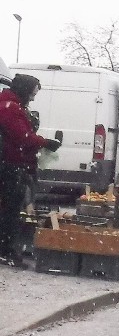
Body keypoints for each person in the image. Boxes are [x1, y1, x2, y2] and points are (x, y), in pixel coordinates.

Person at [0, 74, 61, 268]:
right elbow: (23, 137)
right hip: (9, 165)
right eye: (32, 93)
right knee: (9, 210)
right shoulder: (9, 108)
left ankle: (8, 249)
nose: (33, 98)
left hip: (12, 164)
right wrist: (45, 143)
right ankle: (7, 251)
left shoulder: (13, 106)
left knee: (11, 209)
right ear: (25, 91)